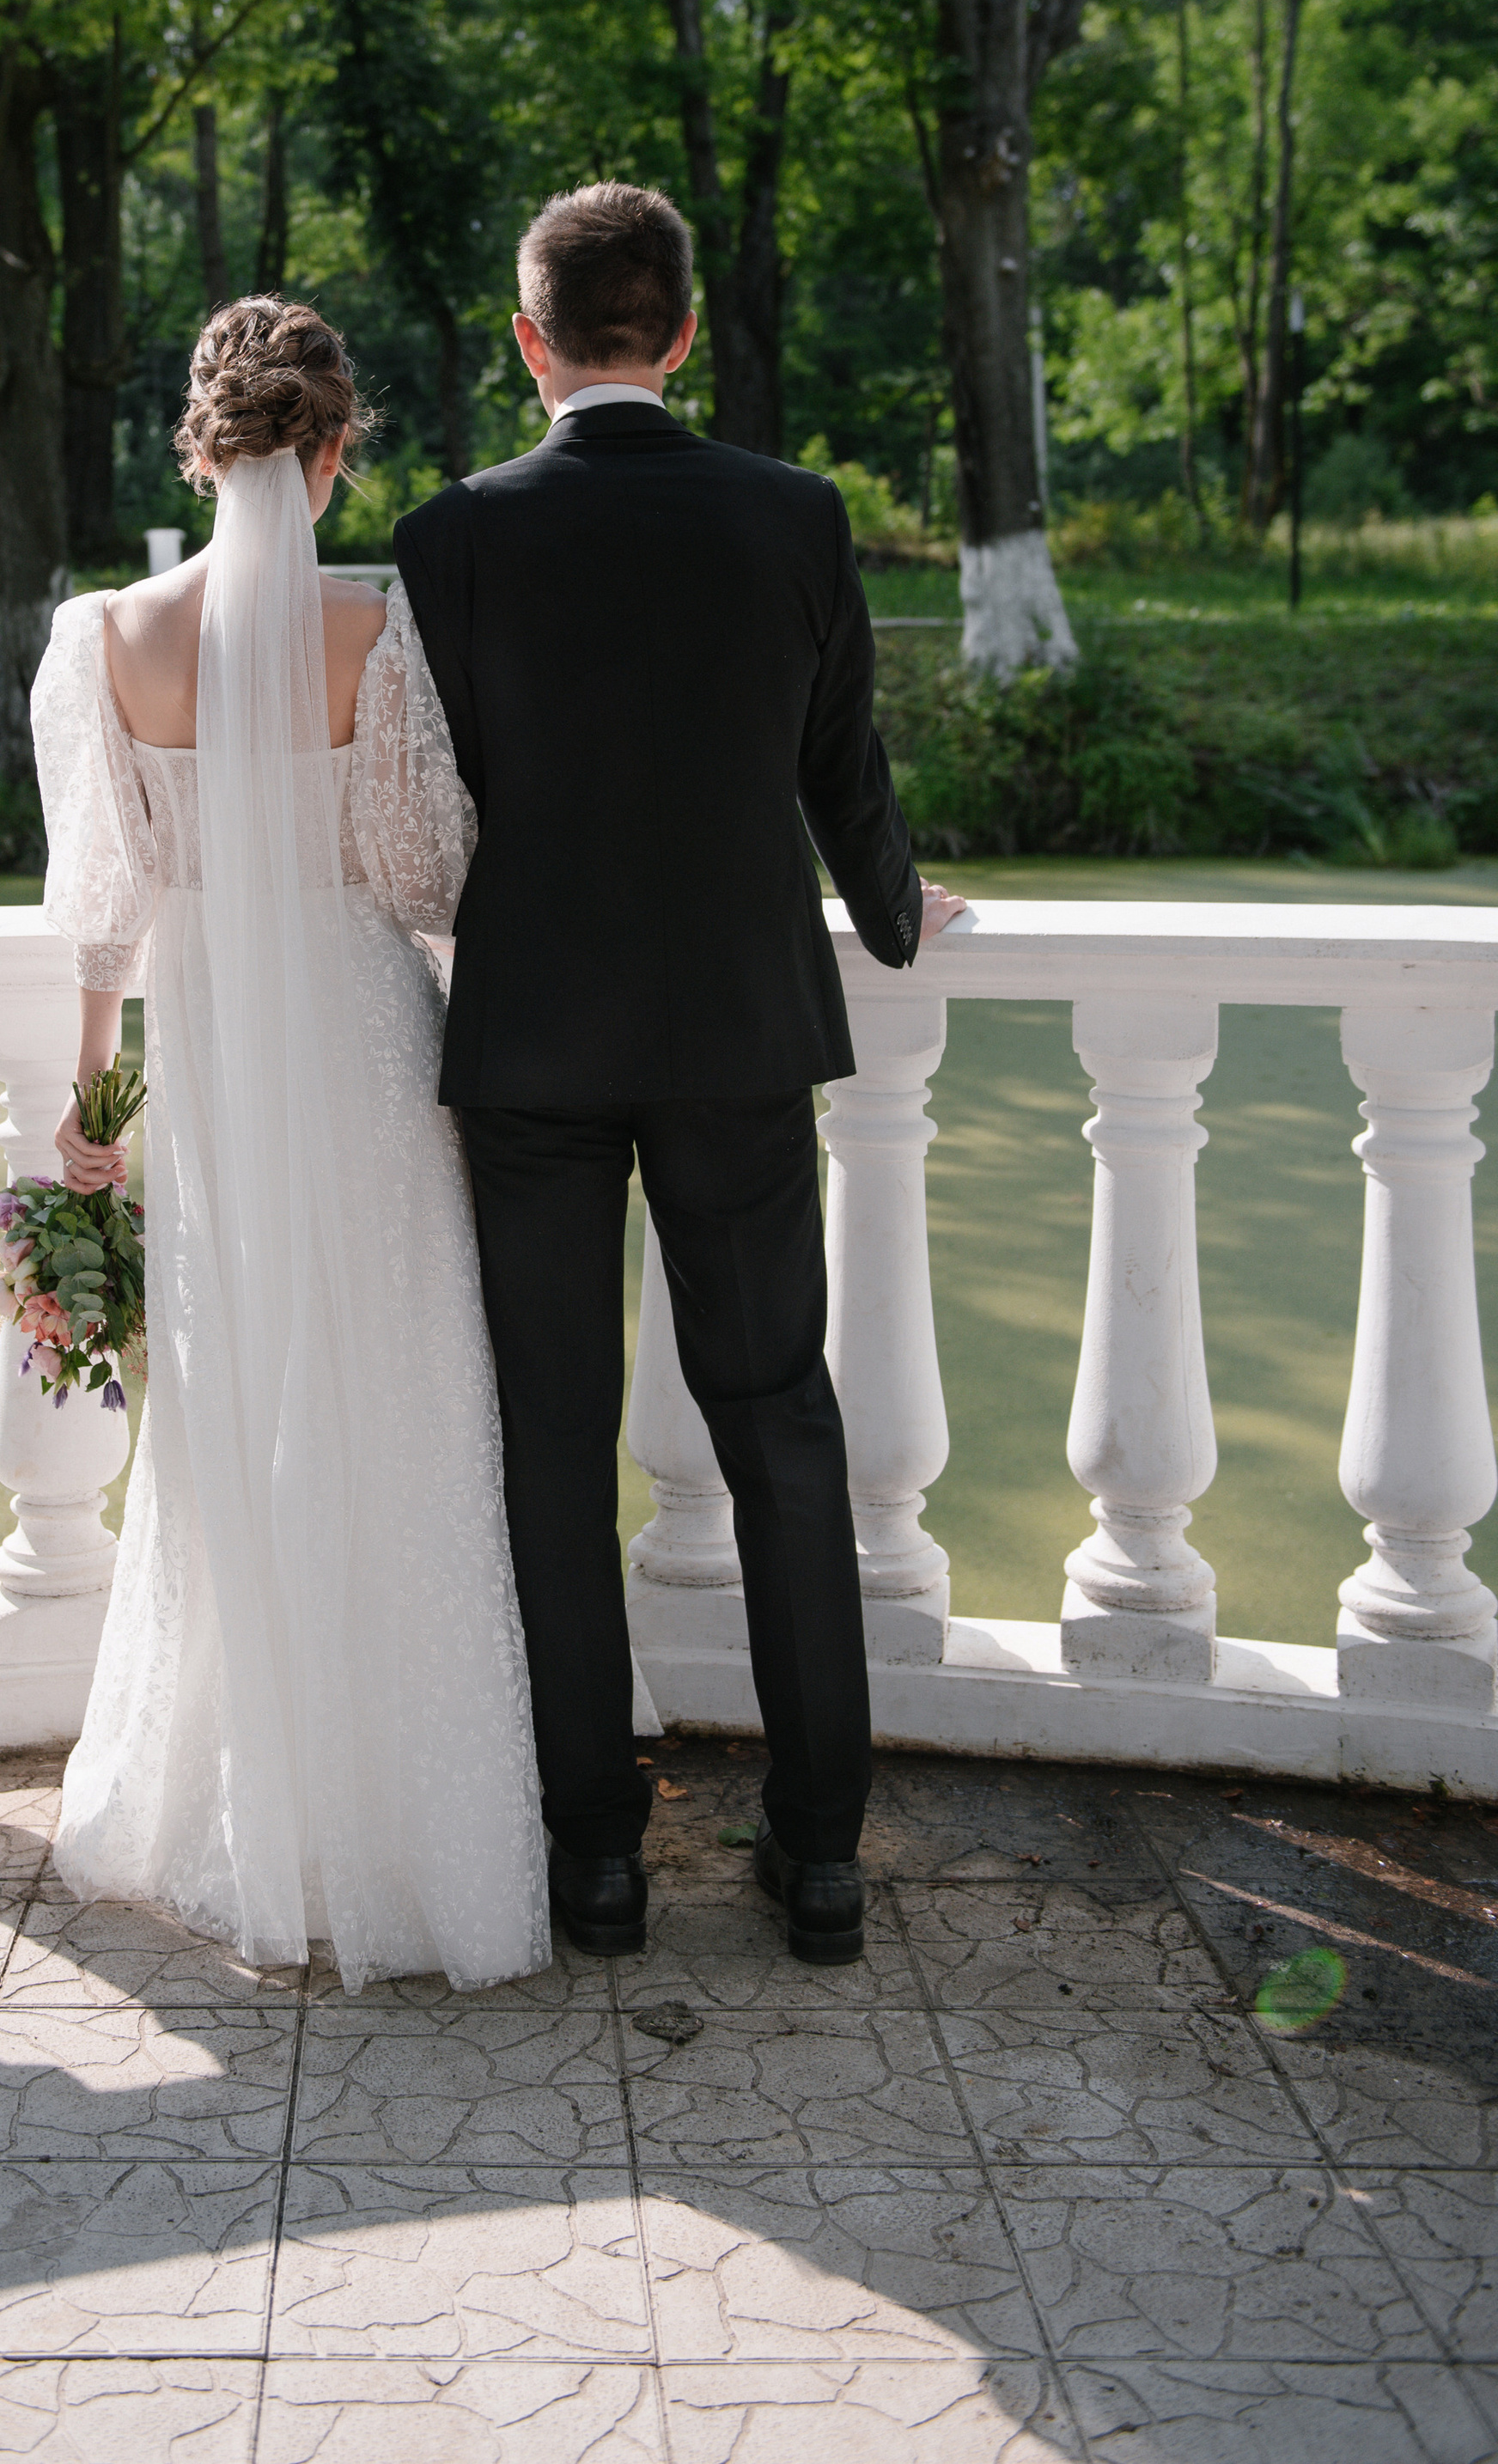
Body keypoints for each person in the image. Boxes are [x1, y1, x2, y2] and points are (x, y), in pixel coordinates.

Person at [395, 181, 965, 1967]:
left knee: (552, 1448)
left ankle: (592, 1861)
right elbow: (839, 764)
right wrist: (887, 916)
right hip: (732, 1035)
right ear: (687, 331)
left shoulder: (450, 535)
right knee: (779, 1420)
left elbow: (449, 796)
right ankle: (815, 1857)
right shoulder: (791, 516)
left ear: (528, 340)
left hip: (534, 1043)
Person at [28, 295, 549, 1993]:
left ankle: (233, 1809)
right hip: (362, 1040)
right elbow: (427, 876)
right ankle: (403, 1828)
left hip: (212, 1063)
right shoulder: (371, 629)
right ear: (331, 447)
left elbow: (103, 906)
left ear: (203, 440)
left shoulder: (107, 633)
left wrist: (92, 1097)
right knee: (392, 1397)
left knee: (230, 1409)